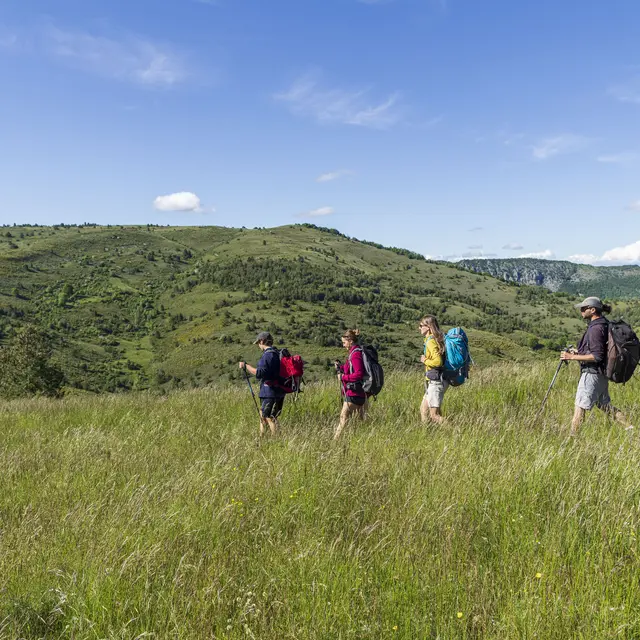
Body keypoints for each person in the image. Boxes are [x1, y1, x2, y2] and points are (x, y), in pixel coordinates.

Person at [560, 297, 633, 436]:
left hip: (592, 374)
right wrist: (578, 353)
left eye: (583, 308)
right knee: (606, 406)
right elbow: (598, 351)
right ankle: (631, 430)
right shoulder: (604, 324)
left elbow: (596, 356)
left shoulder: (596, 328)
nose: (581, 311)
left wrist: (571, 357)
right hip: (601, 374)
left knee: (580, 408)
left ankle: (572, 441)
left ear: (592, 310)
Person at [239, 331, 285, 436]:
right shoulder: (277, 353)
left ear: (262, 341)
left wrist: (245, 366)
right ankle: (262, 437)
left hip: (270, 391)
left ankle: (276, 440)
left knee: (269, 417)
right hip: (280, 390)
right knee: (265, 414)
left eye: (258, 343)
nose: (258, 346)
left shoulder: (268, 356)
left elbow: (259, 373)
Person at [334, 329, 368, 440]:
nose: (343, 345)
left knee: (343, 417)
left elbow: (358, 373)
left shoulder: (355, 354)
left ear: (350, 340)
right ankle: (361, 440)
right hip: (359, 392)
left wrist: (343, 377)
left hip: (353, 392)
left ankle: (335, 441)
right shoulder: (355, 352)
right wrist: (341, 367)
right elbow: (351, 368)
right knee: (359, 421)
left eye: (344, 342)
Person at [419, 315, 448, 424]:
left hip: (436, 382)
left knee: (434, 415)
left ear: (428, 327)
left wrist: (425, 361)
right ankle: (427, 433)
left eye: (421, 325)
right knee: (423, 410)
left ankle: (457, 432)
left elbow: (438, 362)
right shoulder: (434, 339)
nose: (419, 328)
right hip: (435, 380)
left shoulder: (431, 341)